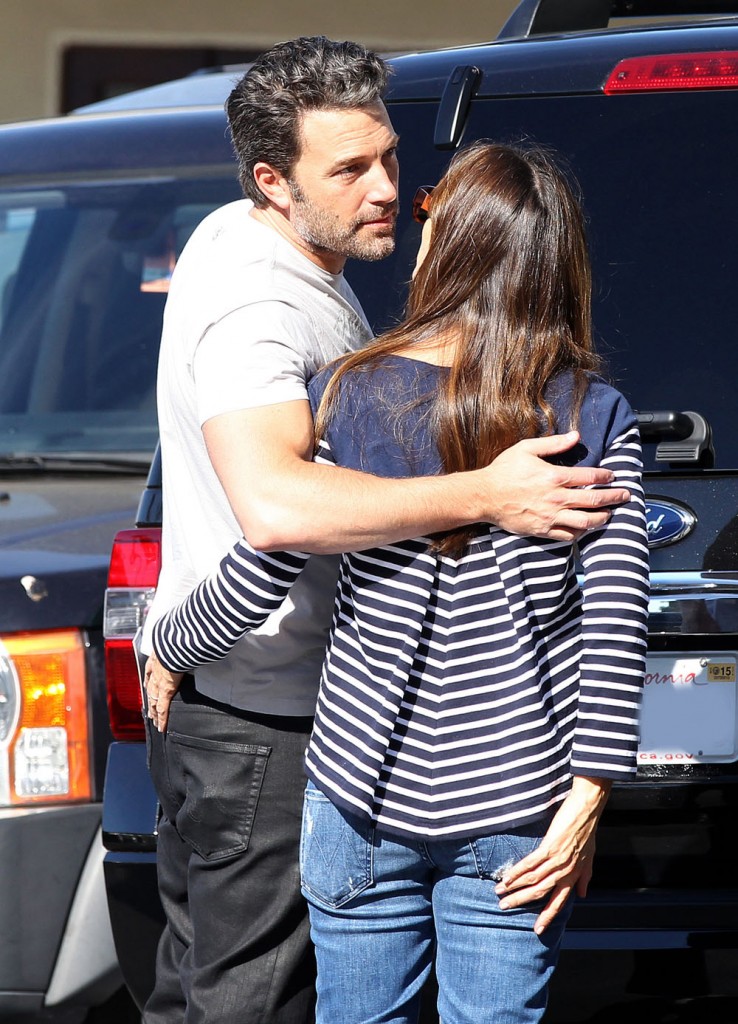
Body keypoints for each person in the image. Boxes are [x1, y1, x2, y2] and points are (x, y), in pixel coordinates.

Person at [140, 34, 632, 1024]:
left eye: (397, 166)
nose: (390, 192)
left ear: (448, 240)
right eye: (352, 168)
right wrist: (590, 792)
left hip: (343, 780)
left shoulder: (346, 378)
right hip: (442, 781)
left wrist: (169, 634)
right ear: (275, 182)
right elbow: (612, 626)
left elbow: (263, 557)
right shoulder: (592, 412)